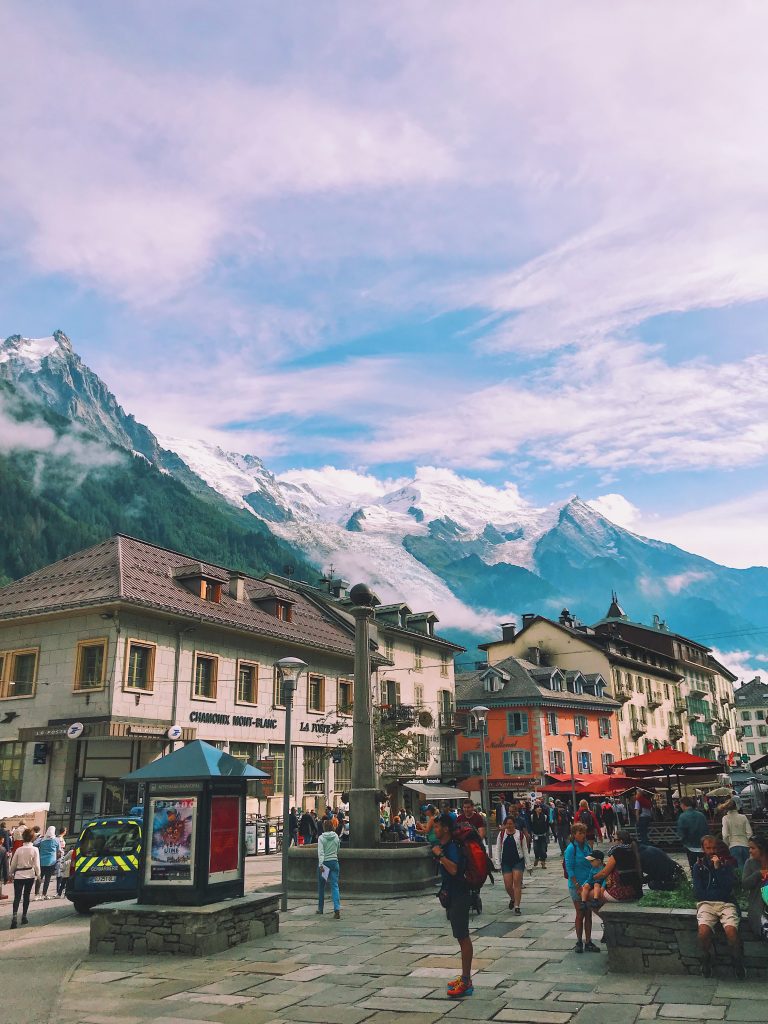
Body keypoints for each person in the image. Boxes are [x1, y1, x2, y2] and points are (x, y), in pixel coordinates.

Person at [432, 812, 474, 998]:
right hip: (454, 894)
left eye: (437, 826)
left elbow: (455, 869)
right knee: (460, 936)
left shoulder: (451, 847)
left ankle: (466, 982)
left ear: (446, 828)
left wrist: (440, 855)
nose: (434, 829)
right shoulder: (448, 845)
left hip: (460, 895)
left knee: (463, 936)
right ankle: (464, 977)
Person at [693, 834, 745, 978]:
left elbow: (728, 887)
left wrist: (718, 869)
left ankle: (737, 961)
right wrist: (717, 894)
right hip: (707, 904)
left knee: (731, 931)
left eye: (714, 847)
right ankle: (706, 958)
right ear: (703, 849)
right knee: (703, 932)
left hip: (726, 903)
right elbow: (698, 892)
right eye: (708, 848)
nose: (711, 851)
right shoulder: (699, 866)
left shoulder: (727, 865)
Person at [564, 822, 600, 954]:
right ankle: (579, 940)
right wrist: (577, 886)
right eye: (580, 833)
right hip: (576, 885)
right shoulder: (571, 848)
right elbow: (569, 869)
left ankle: (588, 941)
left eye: (584, 833)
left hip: (587, 884)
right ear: (574, 834)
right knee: (580, 913)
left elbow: (592, 863)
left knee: (588, 913)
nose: (582, 835)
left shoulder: (586, 847)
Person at [593, 830, 643, 903]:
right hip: (635, 891)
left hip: (622, 893)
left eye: (615, 839)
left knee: (591, 895)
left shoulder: (617, 851)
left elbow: (604, 873)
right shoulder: (632, 849)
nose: (613, 841)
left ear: (621, 841)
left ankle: (603, 914)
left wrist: (593, 877)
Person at [493, 816, 527, 914]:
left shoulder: (520, 835)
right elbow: (498, 848)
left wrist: (528, 865)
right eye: (507, 824)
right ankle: (513, 898)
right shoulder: (502, 834)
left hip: (518, 861)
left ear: (514, 824)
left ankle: (517, 906)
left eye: (511, 823)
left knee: (517, 883)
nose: (509, 825)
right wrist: (497, 863)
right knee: (508, 885)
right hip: (506, 862)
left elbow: (524, 850)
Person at [8, 828, 40, 929]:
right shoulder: (35, 849)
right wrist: (38, 875)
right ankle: (24, 917)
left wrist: (10, 873)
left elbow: (13, 864)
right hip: (29, 875)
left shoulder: (18, 849)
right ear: (33, 838)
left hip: (19, 875)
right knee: (26, 896)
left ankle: (14, 917)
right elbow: (37, 865)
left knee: (17, 897)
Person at [741, 835, 768, 940]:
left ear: (762, 849)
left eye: (753, 848)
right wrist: (758, 874)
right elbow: (745, 884)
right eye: (749, 848)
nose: (750, 851)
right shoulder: (750, 863)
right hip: (758, 908)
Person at [316, 818, 341, 919]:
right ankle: (337, 908)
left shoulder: (321, 838)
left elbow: (321, 852)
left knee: (321, 886)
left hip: (325, 863)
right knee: (334, 886)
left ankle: (320, 908)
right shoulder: (336, 837)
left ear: (324, 827)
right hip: (334, 862)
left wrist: (321, 864)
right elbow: (338, 848)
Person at [677, 797, 711, 870]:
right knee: (705, 868)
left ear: (683, 805)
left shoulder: (682, 816)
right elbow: (707, 830)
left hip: (690, 846)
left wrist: (684, 843)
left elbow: (681, 834)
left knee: (694, 868)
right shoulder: (701, 815)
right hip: (703, 846)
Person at [721, 801, 751, 870]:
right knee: (747, 869)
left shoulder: (725, 818)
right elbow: (749, 833)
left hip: (733, 846)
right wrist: (747, 841)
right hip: (745, 845)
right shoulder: (743, 817)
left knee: (738, 870)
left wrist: (727, 844)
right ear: (736, 807)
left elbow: (725, 835)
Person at [36, 826, 60, 900]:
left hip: (42, 861)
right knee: (47, 879)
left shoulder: (42, 840)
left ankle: (36, 894)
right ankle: (44, 894)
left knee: (39, 877)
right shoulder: (56, 840)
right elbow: (59, 850)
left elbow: (35, 844)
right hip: (51, 862)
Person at [530, 803, 549, 868]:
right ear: (535, 809)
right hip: (535, 835)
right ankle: (536, 858)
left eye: (540, 807)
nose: (539, 808)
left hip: (543, 835)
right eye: (538, 807)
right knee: (536, 848)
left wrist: (546, 833)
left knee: (543, 850)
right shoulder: (532, 816)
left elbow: (547, 825)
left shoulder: (545, 816)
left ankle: (543, 863)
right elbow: (530, 825)